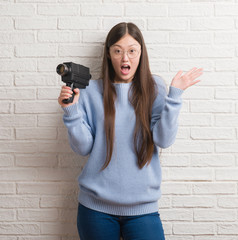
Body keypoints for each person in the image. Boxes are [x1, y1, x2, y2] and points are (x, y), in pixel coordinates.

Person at [58, 22, 203, 240]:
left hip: (143, 210)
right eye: (118, 51)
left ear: (141, 54)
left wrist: (175, 96)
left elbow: (163, 139)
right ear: (108, 55)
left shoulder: (154, 88)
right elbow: (83, 147)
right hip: (95, 209)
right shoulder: (90, 92)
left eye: (132, 51)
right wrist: (71, 111)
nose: (125, 58)